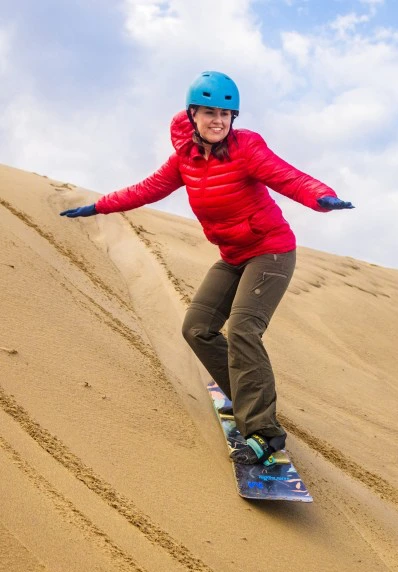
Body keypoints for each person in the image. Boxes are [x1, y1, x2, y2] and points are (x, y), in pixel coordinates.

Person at [61, 70, 353, 464]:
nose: (219, 121)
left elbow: (288, 177)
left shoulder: (247, 148)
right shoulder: (185, 160)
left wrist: (323, 197)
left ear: (235, 118)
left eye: (227, 114)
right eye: (210, 112)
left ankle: (265, 433)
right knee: (196, 329)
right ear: (193, 114)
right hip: (233, 257)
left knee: (244, 330)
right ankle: (247, 397)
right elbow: (144, 190)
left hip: (271, 251)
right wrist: (98, 206)